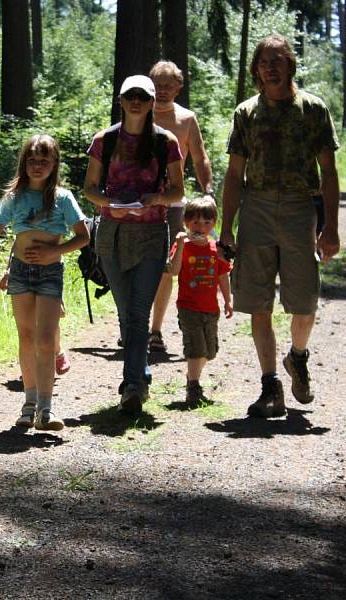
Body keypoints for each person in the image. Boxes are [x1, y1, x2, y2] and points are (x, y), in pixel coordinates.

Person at [220, 34, 340, 418]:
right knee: (257, 300)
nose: (270, 67)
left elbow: (329, 171)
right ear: (256, 69)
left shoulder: (312, 109)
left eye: (278, 60)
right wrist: (227, 228)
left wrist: (331, 227)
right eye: (264, 62)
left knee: (304, 298)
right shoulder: (246, 113)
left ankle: (298, 357)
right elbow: (234, 173)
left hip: (298, 207)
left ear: (290, 64)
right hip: (255, 207)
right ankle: (270, 384)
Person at [0, 134, 89, 430]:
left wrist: (54, 252)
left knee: (46, 339)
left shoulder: (63, 198)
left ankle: (46, 410)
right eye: (32, 160)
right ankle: (29, 404)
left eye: (44, 161)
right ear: (24, 163)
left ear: (54, 164)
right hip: (21, 272)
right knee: (26, 337)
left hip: (50, 273)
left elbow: (83, 237)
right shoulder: (14, 197)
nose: (38, 166)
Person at [83, 75, 185, 416]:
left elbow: (178, 193)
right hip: (111, 234)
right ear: (121, 100)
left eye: (143, 96)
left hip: (152, 235)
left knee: (139, 312)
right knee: (127, 313)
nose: (137, 101)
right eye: (131, 96)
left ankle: (133, 388)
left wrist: (156, 197)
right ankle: (139, 372)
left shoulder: (165, 142)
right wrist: (110, 203)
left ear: (153, 100)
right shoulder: (105, 140)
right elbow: (90, 188)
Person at [148, 60, 216, 354]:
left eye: (168, 85)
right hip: (137, 202)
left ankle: (154, 331)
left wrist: (208, 190)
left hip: (173, 204)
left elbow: (200, 158)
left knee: (166, 267)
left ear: (178, 87)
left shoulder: (187, 119)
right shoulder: (138, 112)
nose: (162, 91)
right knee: (134, 264)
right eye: (158, 84)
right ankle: (131, 325)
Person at [168, 197, 233, 405]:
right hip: (189, 307)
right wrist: (179, 244)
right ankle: (193, 387)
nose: (201, 227)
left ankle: (191, 376)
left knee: (210, 352)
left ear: (214, 223)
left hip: (211, 309)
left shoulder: (216, 249)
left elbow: (222, 276)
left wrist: (228, 300)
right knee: (196, 349)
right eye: (195, 222)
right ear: (187, 223)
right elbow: (174, 271)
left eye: (207, 223)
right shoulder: (184, 246)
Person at [0, 270, 70, 375]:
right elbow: (15, 253)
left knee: (50, 319)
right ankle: (36, 364)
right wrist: (8, 272)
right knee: (29, 323)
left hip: (48, 271)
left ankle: (57, 351)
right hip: (21, 273)